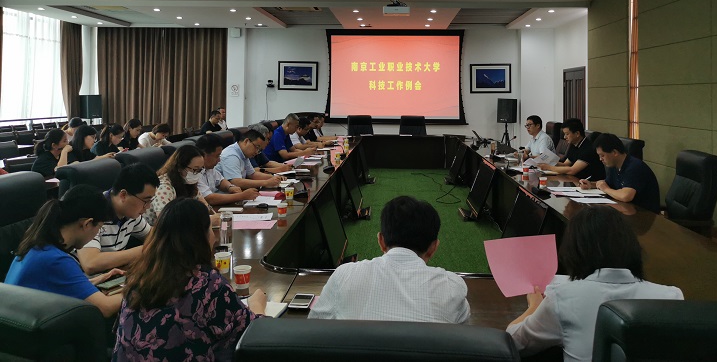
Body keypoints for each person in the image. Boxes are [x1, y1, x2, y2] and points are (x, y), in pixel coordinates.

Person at [506, 206, 683, 361]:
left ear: (575, 250)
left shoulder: (563, 298)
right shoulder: (671, 298)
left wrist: (534, 307)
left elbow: (512, 342)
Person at [113, 198, 266, 361]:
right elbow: (255, 337)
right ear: (200, 237)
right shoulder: (209, 285)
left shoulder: (137, 277)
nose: (214, 238)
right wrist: (257, 305)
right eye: (210, 229)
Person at [309, 196, 470, 323]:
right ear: (433, 247)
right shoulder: (453, 288)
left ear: (381, 241)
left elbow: (315, 325)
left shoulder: (344, 275)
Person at [5, 185, 124, 317]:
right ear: (87, 224)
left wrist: (98, 279)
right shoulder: (55, 260)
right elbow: (106, 308)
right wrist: (137, 291)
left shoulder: (37, 245)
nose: (98, 232)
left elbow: (58, 284)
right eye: (100, 228)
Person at [77, 163, 159, 275]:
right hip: (81, 279)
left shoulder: (131, 214)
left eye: (150, 201)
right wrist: (146, 249)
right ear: (123, 195)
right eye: (145, 201)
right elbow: (90, 263)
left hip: (111, 276)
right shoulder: (92, 212)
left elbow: (153, 237)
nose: (148, 206)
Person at [579, 133, 661, 213]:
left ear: (614, 152)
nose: (600, 159)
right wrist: (591, 184)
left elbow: (626, 196)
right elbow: (606, 184)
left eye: (602, 155)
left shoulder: (634, 167)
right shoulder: (614, 165)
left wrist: (605, 189)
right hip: (625, 210)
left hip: (644, 214)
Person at [144, 145, 214, 225]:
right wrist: (207, 220)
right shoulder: (164, 187)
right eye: (195, 169)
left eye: (200, 170)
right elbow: (165, 221)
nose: (197, 173)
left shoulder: (188, 183)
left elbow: (205, 206)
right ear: (180, 167)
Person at [195, 134, 260, 207]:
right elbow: (209, 199)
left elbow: (220, 181)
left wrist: (230, 187)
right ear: (204, 155)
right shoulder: (194, 172)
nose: (219, 160)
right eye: (217, 156)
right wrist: (242, 196)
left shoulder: (209, 168)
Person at [216, 130, 286, 190]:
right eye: (257, 147)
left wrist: (274, 177)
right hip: (222, 195)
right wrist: (266, 182)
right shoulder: (231, 155)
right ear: (246, 141)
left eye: (259, 150)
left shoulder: (244, 154)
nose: (257, 152)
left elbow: (252, 174)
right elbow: (236, 182)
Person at [538, 118, 605, 181]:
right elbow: (565, 164)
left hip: (589, 183)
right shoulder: (574, 144)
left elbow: (572, 170)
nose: (564, 137)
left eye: (567, 134)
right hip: (574, 180)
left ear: (577, 134)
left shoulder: (588, 148)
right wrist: (547, 162)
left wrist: (549, 167)